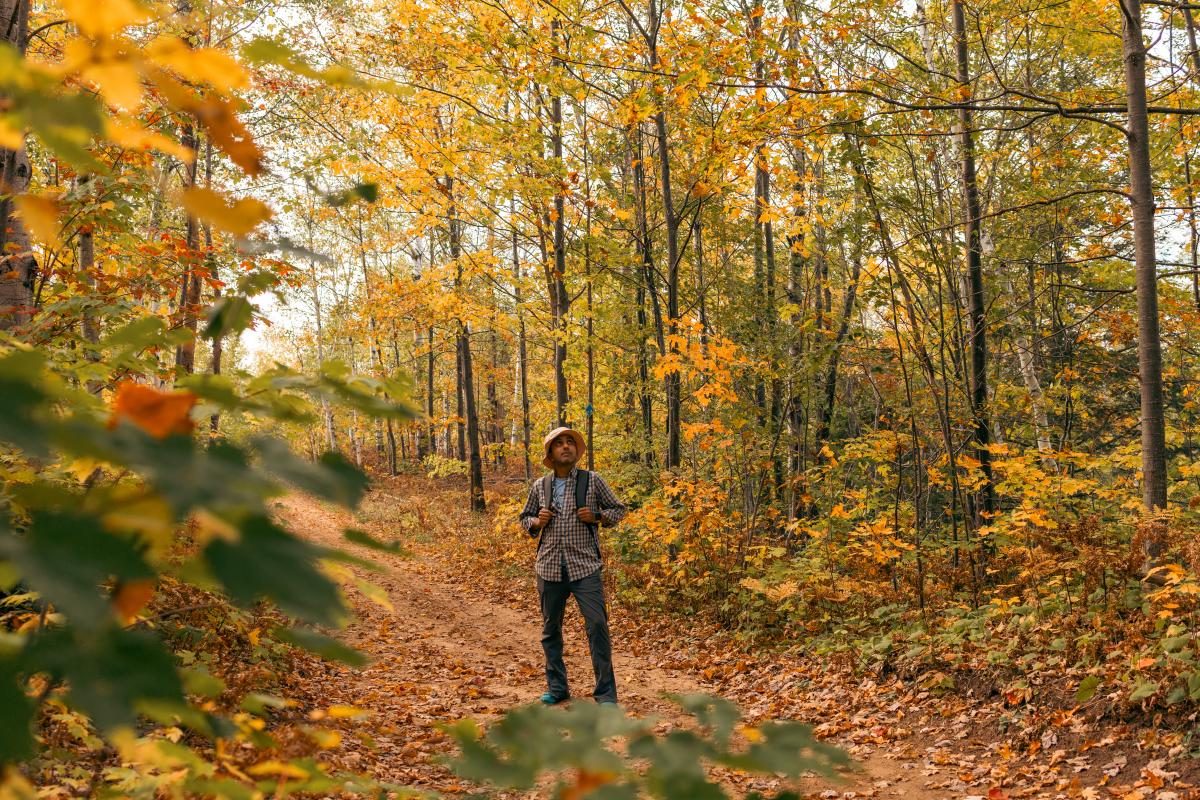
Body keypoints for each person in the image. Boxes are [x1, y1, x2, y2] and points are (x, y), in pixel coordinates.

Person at [518, 426, 627, 705]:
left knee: (597, 625)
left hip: (585, 567)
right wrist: (536, 522)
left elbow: (619, 510)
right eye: (559, 444)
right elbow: (524, 519)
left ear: (576, 451)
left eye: (570, 443)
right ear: (551, 454)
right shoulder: (540, 486)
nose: (566, 446)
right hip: (549, 567)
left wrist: (598, 516)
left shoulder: (593, 481)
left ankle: (606, 695)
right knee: (550, 629)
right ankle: (557, 688)